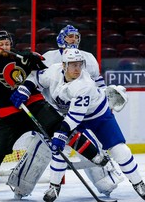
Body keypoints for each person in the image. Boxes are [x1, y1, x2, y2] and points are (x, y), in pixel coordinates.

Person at [0, 30, 109, 201]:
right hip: (8, 115)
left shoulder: (21, 58)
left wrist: (35, 59)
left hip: (35, 106)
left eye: (7, 43)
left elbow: (48, 72)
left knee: (62, 128)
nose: (5, 47)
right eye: (0, 44)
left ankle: (95, 155)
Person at [11, 48, 145, 201]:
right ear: (64, 65)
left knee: (120, 151)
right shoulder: (53, 71)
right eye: (73, 64)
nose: (77, 68)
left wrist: (61, 133)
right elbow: (35, 77)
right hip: (70, 115)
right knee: (60, 150)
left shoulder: (84, 85)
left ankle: (138, 183)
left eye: (79, 64)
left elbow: (74, 117)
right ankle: (54, 187)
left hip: (98, 115)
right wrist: (24, 89)